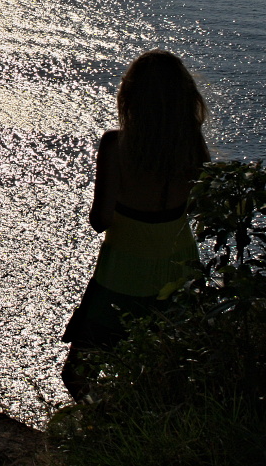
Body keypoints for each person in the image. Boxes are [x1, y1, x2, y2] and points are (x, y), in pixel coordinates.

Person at [60, 50, 208, 399]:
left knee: (79, 375)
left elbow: (100, 220)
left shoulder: (116, 145)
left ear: (131, 96)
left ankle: (105, 428)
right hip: (179, 271)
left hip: (122, 272)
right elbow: (198, 205)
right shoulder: (193, 146)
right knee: (177, 369)